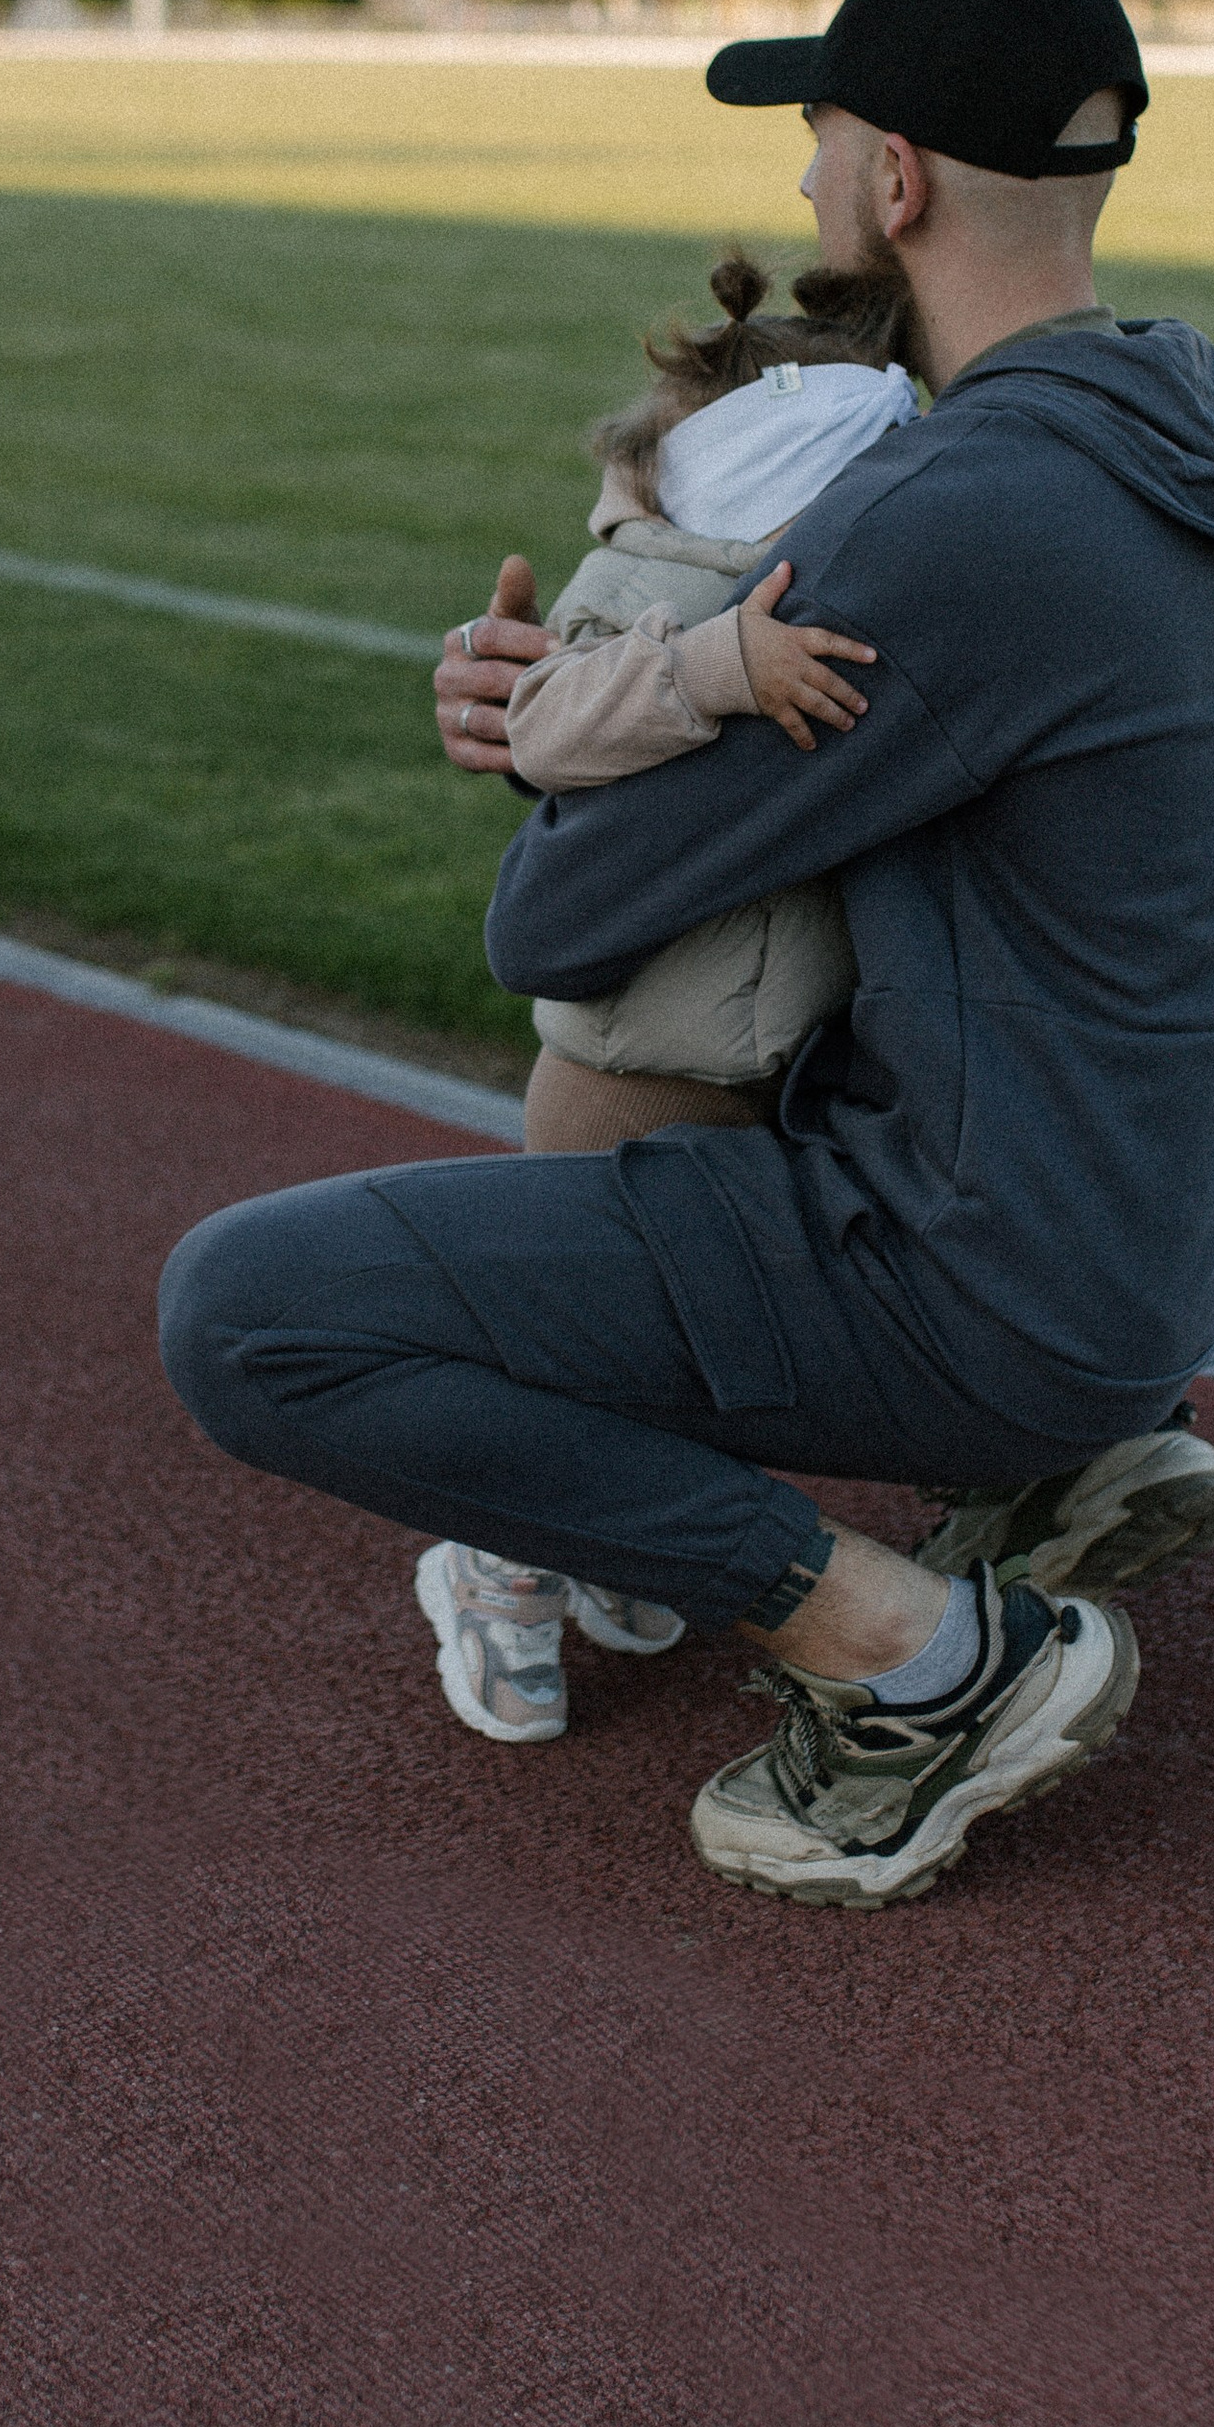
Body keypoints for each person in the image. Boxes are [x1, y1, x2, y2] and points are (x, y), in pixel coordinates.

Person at [159, 0, 1214, 1909]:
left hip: (987, 1281)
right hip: (1129, 1255)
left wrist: (587, 713)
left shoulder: (956, 516)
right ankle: (1038, 1482)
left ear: (892, 185)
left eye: (819, 140)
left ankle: (921, 1661)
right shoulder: (1172, 429)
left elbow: (554, 929)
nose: (801, 184)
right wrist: (586, 708)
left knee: (252, 1317)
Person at [417, 248, 919, 1746]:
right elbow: (549, 720)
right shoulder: (655, 585)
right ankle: (498, 1558)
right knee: (568, 1322)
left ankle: (608, 1536)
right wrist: (712, 668)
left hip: (746, 1059)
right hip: (626, 1060)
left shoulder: (809, 568)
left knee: (678, 1330)